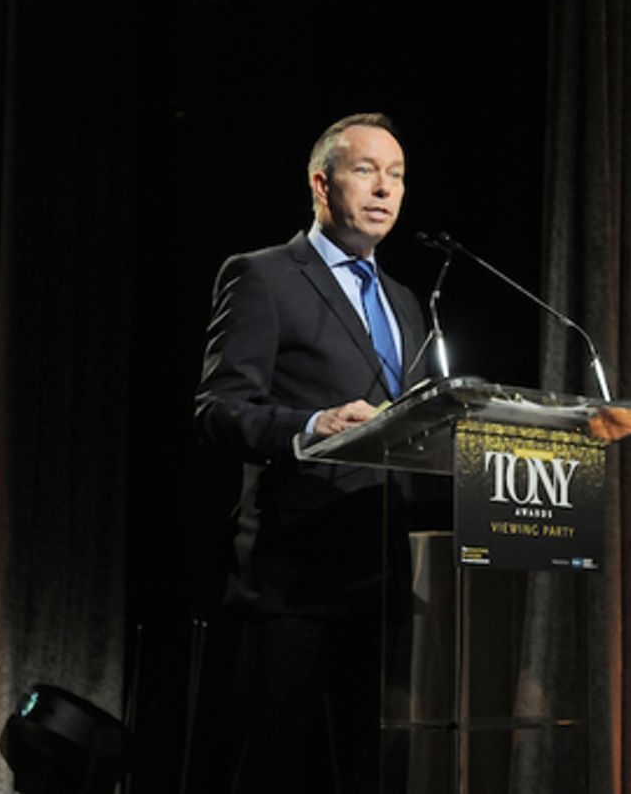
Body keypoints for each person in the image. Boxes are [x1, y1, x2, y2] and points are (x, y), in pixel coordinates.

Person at [195, 113, 427, 793]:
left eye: (397, 175)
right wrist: (314, 422)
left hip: (383, 574)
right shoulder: (263, 276)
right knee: (274, 768)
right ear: (322, 184)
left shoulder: (405, 301)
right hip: (291, 576)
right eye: (366, 170)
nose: (385, 188)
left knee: (368, 771)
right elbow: (218, 411)